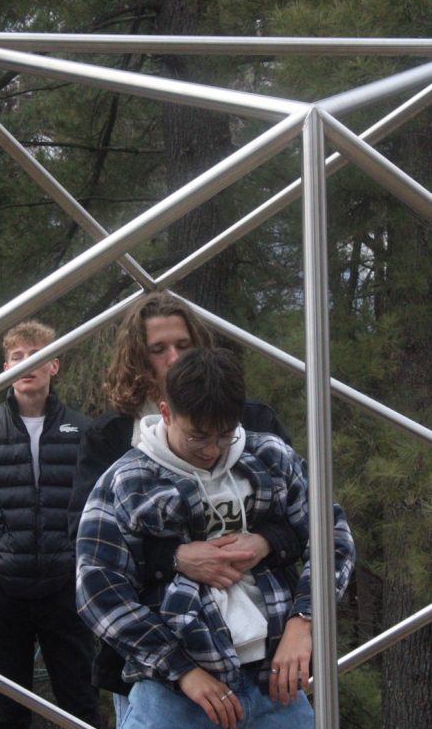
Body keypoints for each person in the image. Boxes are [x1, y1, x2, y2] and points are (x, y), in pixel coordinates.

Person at [76, 347, 356, 729]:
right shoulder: (126, 481)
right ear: (166, 413)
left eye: (224, 436)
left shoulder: (271, 457)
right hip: (174, 694)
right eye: (197, 437)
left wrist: (304, 621)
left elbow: (332, 537)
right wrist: (181, 671)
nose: (211, 450)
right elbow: (97, 589)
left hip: (274, 683)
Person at [67, 292, 302, 720]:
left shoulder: (253, 426)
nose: (173, 358)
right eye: (158, 349)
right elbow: (89, 551)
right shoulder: (111, 439)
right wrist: (173, 558)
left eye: (183, 345)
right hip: (160, 665)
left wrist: (266, 542)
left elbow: (307, 521)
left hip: (265, 658)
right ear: (137, 358)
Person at [0, 320, 100, 729]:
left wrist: (83, 570)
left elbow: (100, 510)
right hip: (3, 594)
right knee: (10, 713)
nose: (26, 363)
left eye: (37, 355)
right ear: (5, 368)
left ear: (54, 365)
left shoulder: (84, 432)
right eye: (17, 357)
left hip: (66, 592)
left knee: (80, 706)